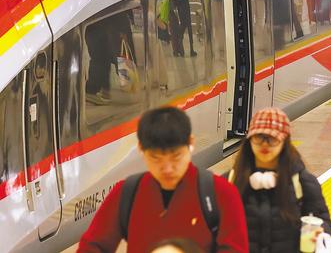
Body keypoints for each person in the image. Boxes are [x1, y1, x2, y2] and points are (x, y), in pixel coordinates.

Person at [77, 107, 248, 252]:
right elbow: (92, 246)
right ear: (141, 149)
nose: (167, 168)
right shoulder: (127, 193)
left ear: (191, 143)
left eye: (176, 156)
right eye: (156, 158)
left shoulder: (221, 193)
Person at [229, 107, 331, 253]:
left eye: (272, 138)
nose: (265, 144)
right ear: (249, 140)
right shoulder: (230, 181)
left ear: (285, 141)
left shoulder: (302, 182)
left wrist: (321, 232)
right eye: (258, 137)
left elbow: (323, 221)